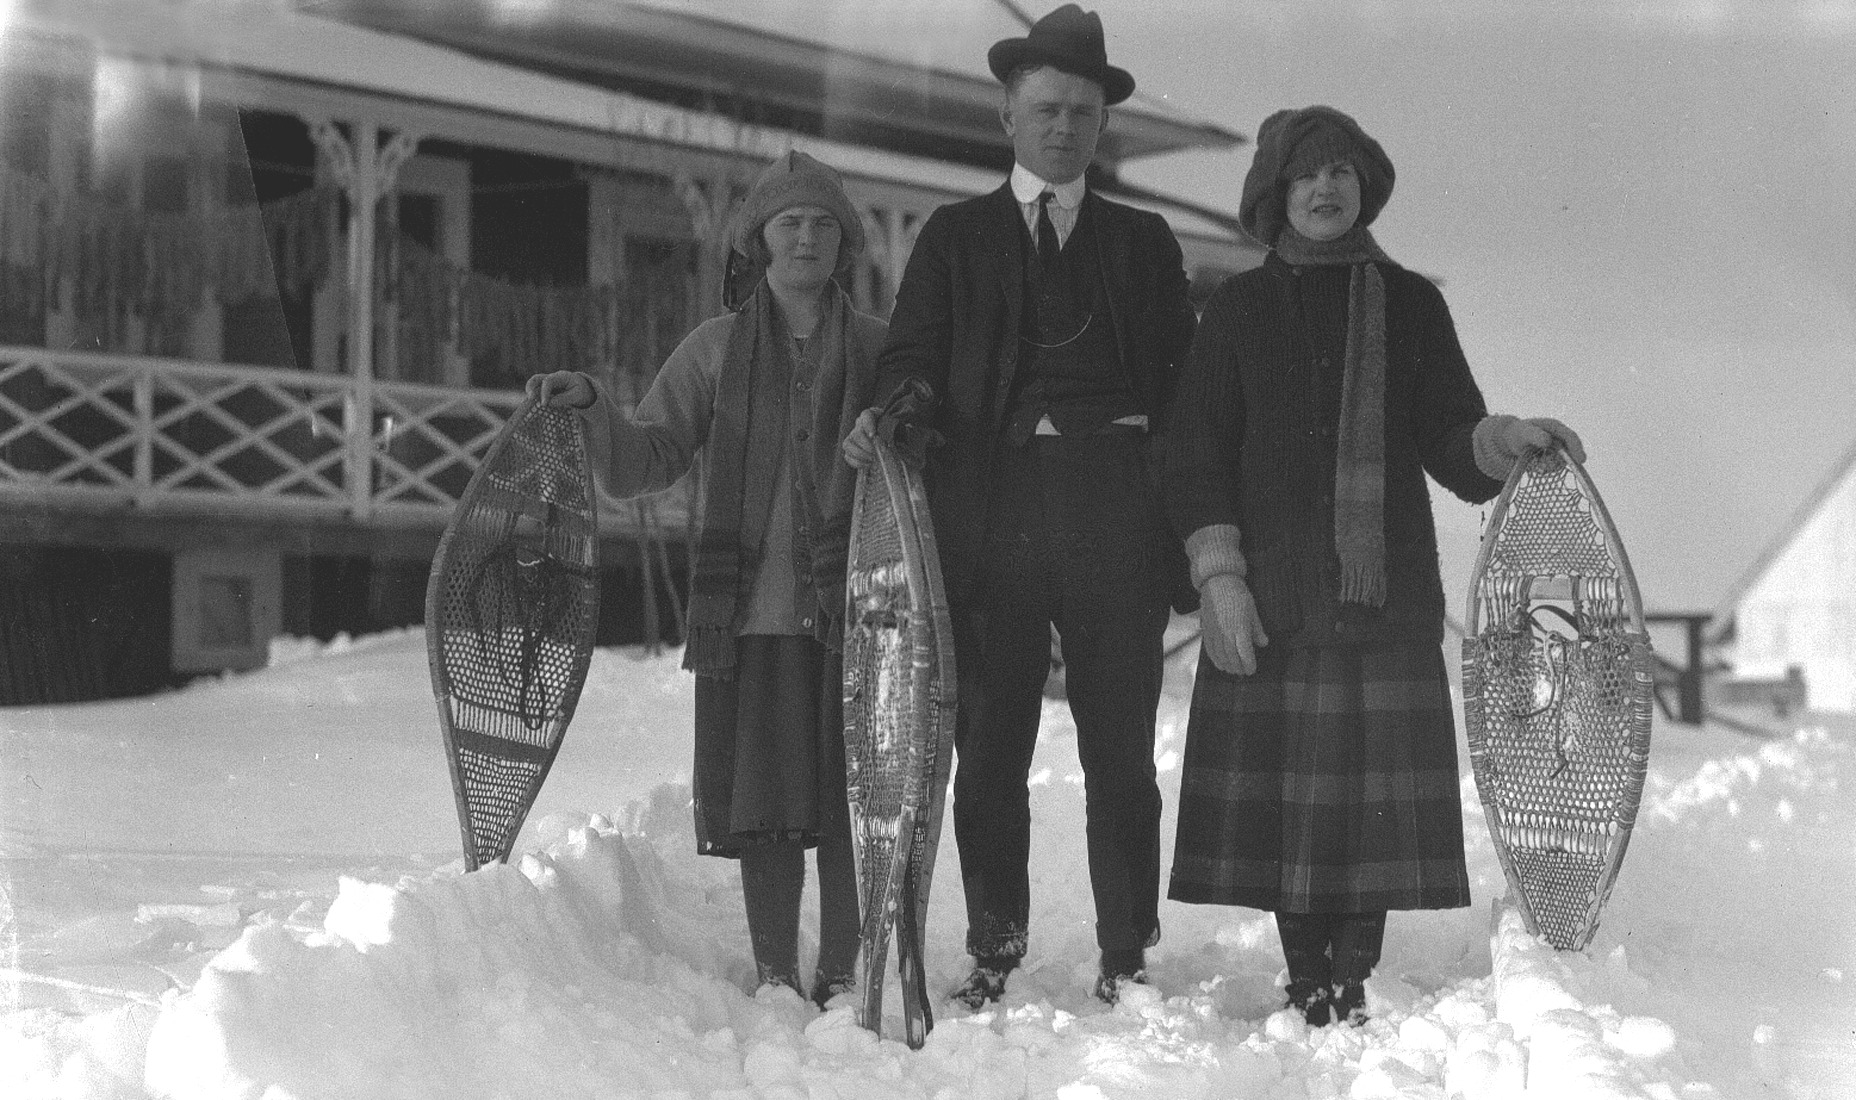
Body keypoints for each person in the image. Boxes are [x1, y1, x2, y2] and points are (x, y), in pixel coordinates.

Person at [1163, 105, 1586, 1027]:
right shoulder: (1235, 311)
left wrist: (1504, 438)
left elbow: (1446, 435)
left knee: (1367, 806)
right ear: (1275, 196)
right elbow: (1194, 454)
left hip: (1383, 594)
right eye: (1308, 176)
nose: (1325, 189)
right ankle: (1305, 970)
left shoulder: (1410, 304)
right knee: (1296, 806)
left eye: (1342, 175)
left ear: (1365, 190)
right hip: (1270, 598)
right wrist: (1218, 578)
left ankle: (1348, 976)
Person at [842, 4, 1197, 1006]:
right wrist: (896, 412)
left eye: (1081, 113)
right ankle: (993, 949)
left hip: (1112, 525)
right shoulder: (955, 238)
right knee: (988, 751)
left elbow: (1180, 391)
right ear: (1006, 118)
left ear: (1100, 125)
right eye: (1044, 110)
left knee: (1121, 754)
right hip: (988, 526)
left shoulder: (1142, 241)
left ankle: (1126, 954)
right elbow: (911, 358)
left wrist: (1174, 530)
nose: (1062, 128)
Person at [528, 151, 885, 1007]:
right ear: (758, 240)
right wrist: (592, 410)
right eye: (789, 223)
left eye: (823, 224)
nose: (806, 237)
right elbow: (648, 452)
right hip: (755, 610)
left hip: (861, 608)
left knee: (849, 798)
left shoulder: (881, 349)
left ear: (846, 245)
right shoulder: (716, 349)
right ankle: (774, 976)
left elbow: (928, 445)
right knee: (769, 800)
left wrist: (896, 426)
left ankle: (841, 975)